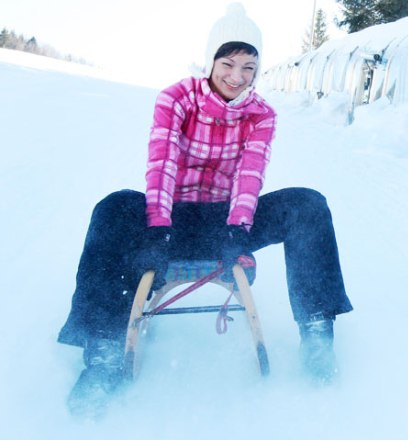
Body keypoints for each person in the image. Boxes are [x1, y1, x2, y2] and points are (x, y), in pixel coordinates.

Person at [59, 3, 352, 415]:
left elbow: (250, 176)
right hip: (172, 217)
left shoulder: (262, 114)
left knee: (307, 204)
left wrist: (237, 230)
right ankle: (103, 352)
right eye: (228, 63)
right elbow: (160, 166)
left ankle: (318, 334)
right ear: (211, 60)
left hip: (227, 221)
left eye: (249, 67)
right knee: (112, 208)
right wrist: (158, 231)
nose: (237, 76)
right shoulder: (177, 98)